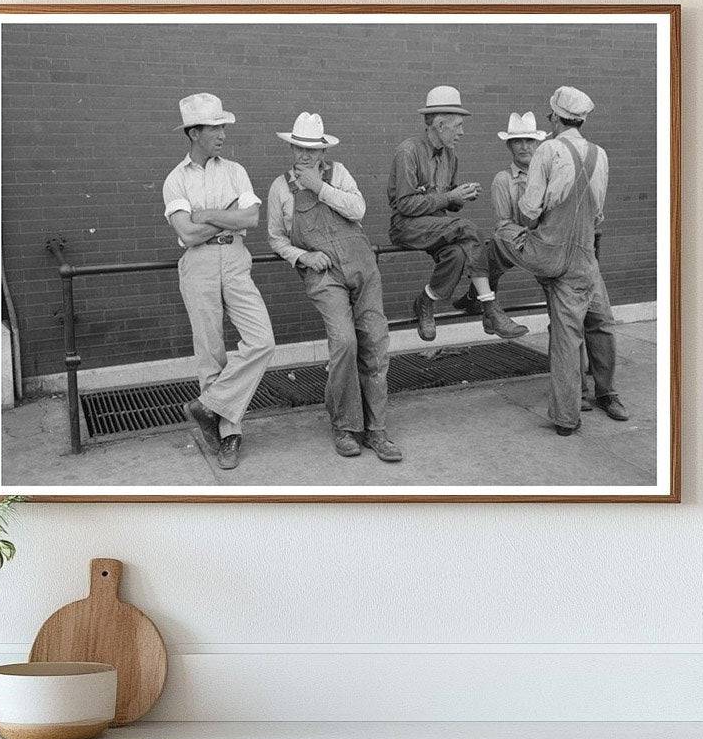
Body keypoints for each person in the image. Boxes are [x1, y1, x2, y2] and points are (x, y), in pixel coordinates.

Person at [487, 89, 627, 435]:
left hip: (554, 252)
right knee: (602, 322)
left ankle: (568, 417)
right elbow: (599, 215)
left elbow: (530, 210)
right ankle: (604, 393)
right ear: (582, 119)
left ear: (553, 118)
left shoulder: (547, 151)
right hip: (583, 254)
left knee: (568, 333)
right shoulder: (601, 154)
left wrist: (537, 228)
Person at [266, 113, 402, 463]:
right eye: (299, 148)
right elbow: (276, 239)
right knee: (344, 341)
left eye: (312, 149)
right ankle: (344, 425)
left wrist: (318, 186)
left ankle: (377, 429)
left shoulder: (339, 174)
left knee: (374, 340)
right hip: (323, 274)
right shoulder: (280, 188)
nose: (304, 156)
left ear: (323, 151)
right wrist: (303, 257)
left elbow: (358, 209)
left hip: (362, 267)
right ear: (292, 148)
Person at [162, 92, 275, 470]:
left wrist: (207, 214)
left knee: (261, 340)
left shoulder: (235, 171)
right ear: (194, 132)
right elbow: (188, 235)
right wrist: (228, 213)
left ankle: (206, 407)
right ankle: (228, 435)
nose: (223, 133)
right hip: (199, 265)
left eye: (223, 126)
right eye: (214, 127)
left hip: (236, 260)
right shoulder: (175, 181)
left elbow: (251, 220)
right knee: (211, 352)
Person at [387, 85, 529, 343]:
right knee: (469, 229)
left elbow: (448, 203)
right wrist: (450, 197)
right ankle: (489, 308)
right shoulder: (408, 151)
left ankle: (425, 301)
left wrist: (460, 196)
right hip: (406, 226)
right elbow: (405, 205)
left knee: (457, 254)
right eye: (458, 126)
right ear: (440, 125)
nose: (462, 132)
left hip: (438, 225)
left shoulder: (451, 156)